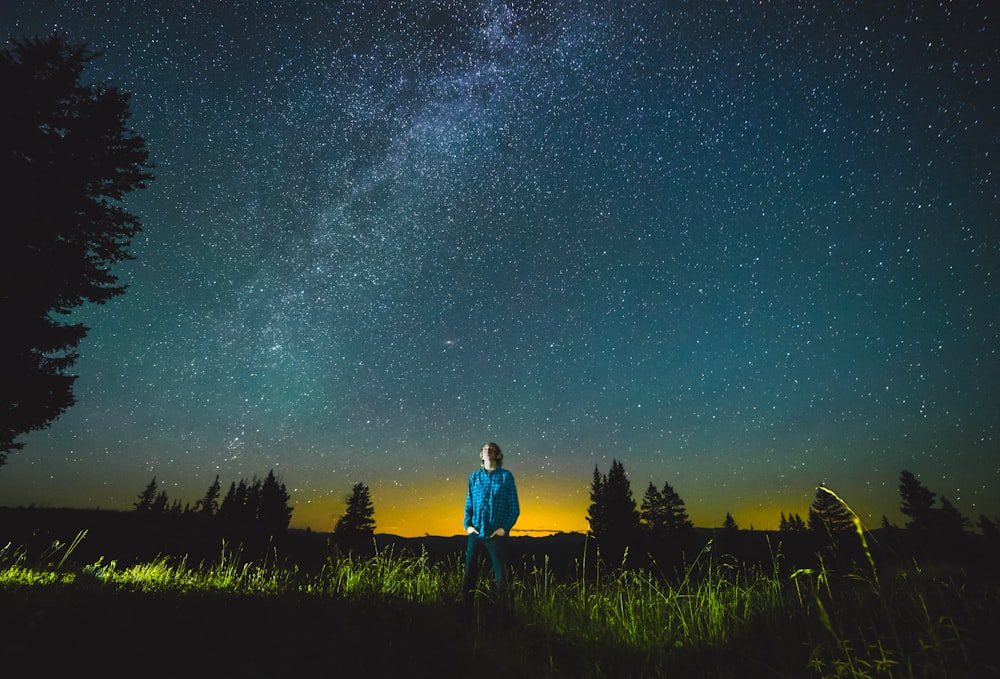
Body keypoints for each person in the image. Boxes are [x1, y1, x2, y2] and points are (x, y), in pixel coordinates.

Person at [463, 442, 519, 615]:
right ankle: (465, 615)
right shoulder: (473, 478)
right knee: (469, 576)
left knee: (501, 578)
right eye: (485, 449)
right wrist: (468, 526)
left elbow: (514, 508)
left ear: (498, 455)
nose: (488, 450)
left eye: (492, 449)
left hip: (496, 535)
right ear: (481, 455)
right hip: (476, 533)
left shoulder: (506, 477)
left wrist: (504, 528)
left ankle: (505, 618)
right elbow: (468, 505)